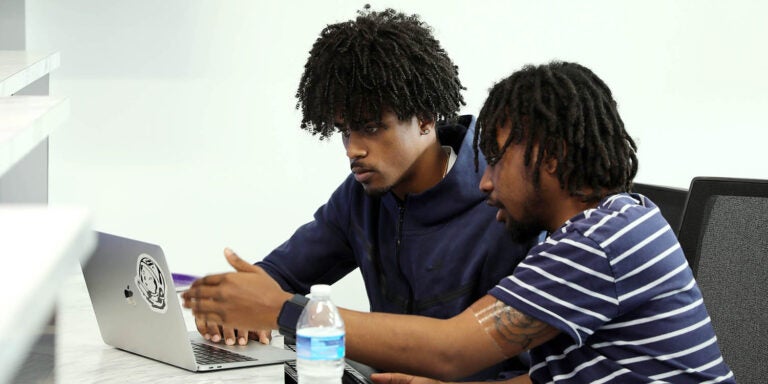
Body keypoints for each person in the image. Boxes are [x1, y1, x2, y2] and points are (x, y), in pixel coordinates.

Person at [184, 61, 735, 383]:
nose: (486, 180)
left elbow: (451, 348)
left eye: (496, 159)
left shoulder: (597, 243)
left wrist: (282, 310)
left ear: (551, 153)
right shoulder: (604, 227)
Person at [197, 6, 535, 381]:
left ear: (425, 118)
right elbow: (277, 278)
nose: (352, 149)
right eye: (344, 131)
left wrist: (276, 308)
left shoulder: (506, 200)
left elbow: (535, 365)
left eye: (371, 128)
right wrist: (230, 304)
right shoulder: (360, 196)